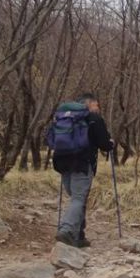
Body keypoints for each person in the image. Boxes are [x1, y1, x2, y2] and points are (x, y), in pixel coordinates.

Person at [51, 92, 113, 248]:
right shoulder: (94, 118)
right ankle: (66, 229)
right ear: (90, 103)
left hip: (62, 162)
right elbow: (104, 144)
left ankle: (78, 235)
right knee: (78, 198)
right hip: (82, 163)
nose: (98, 107)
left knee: (78, 198)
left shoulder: (65, 118)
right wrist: (111, 143)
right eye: (96, 104)